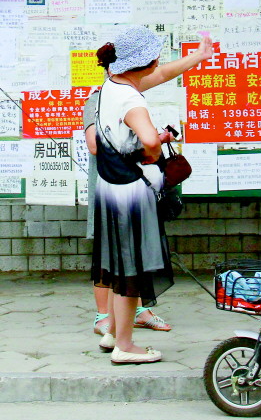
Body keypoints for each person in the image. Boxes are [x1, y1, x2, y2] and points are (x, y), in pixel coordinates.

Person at [91, 25, 213, 364]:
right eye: (155, 57)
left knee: (118, 265)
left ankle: (112, 332)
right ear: (143, 63)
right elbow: (147, 139)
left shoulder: (113, 84)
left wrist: (197, 57)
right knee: (133, 269)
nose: (159, 62)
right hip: (131, 194)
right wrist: (155, 147)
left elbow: (161, 75)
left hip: (110, 189)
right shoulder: (131, 100)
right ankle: (125, 347)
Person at [84, 78, 171, 337]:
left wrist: (153, 140)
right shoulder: (97, 99)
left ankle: (139, 311)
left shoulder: (130, 100)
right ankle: (104, 317)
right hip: (110, 188)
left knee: (135, 251)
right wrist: (148, 143)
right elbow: (94, 145)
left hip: (134, 189)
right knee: (108, 255)